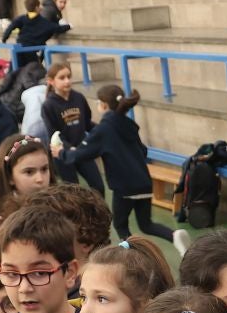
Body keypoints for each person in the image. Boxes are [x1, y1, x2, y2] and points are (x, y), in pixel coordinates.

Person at [54, 85, 182, 245]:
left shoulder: (104, 129)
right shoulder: (129, 125)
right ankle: (175, 235)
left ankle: (132, 257)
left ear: (104, 105)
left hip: (125, 187)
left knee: (120, 226)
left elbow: (80, 155)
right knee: (146, 224)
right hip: (144, 183)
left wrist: (60, 153)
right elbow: (143, 151)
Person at [29, 62, 104, 195]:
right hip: (62, 153)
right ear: (51, 81)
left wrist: (104, 131)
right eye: (62, 78)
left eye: (69, 76)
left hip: (81, 150)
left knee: (98, 186)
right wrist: (69, 149)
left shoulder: (78, 98)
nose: (67, 81)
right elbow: (54, 135)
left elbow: (87, 124)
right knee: (73, 192)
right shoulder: (49, 105)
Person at [0, 133, 57, 213]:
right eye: (29, 172)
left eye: (44, 169)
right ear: (10, 176)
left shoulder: (62, 207)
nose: (40, 179)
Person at [3, 0, 65, 69]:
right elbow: (57, 28)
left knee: (13, 69)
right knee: (35, 70)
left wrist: (4, 38)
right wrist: (69, 26)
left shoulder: (21, 19)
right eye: (39, 6)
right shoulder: (42, 22)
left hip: (20, 47)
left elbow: (10, 27)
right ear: (36, 8)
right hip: (31, 50)